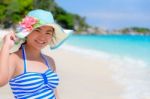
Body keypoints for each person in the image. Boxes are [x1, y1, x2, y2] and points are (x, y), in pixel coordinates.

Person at [0, 9, 72, 99]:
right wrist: (6, 46)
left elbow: (55, 92)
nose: (42, 37)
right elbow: (1, 81)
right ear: (27, 32)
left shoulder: (49, 61)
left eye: (48, 32)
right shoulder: (15, 58)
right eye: (37, 30)